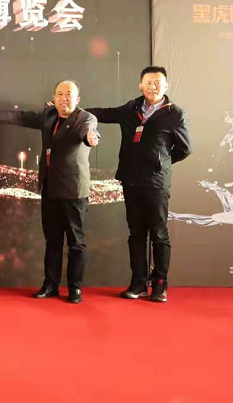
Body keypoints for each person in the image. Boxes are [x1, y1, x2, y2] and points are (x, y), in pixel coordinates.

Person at [0, 80, 100, 304]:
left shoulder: (86, 118)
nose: (64, 98)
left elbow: (88, 133)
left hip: (73, 190)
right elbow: (24, 117)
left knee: (76, 243)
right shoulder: (49, 115)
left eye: (69, 94)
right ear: (54, 97)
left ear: (77, 99)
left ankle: (75, 288)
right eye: (60, 94)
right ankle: (50, 285)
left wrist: (91, 139)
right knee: (52, 241)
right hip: (49, 187)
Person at [85, 66, 192, 303]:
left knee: (159, 233)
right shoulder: (131, 108)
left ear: (166, 86)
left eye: (158, 82)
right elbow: (104, 113)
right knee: (136, 233)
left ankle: (160, 284)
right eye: (149, 82)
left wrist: (161, 163)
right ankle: (138, 282)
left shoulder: (175, 114)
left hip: (156, 182)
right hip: (131, 179)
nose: (153, 86)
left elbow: (185, 149)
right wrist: (75, 110)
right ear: (140, 85)